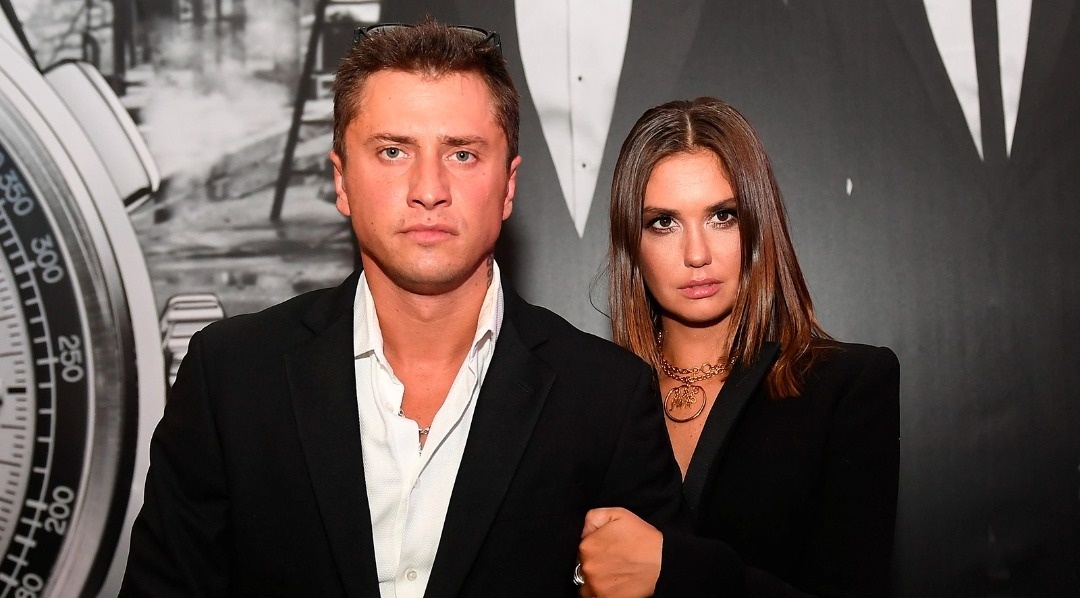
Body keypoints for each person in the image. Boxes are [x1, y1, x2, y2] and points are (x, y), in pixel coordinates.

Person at [120, 19, 684, 596]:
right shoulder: (231, 379)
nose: (428, 189)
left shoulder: (605, 398)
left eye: (462, 154)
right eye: (393, 151)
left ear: (509, 186)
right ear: (342, 180)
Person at [576, 98, 900, 597]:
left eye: (722, 216)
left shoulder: (846, 387)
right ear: (631, 243)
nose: (697, 254)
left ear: (758, 225)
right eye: (663, 222)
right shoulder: (591, 400)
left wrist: (672, 569)